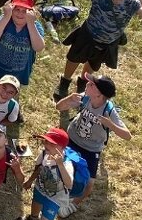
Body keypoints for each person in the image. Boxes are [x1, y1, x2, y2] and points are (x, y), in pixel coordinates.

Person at [55, 0, 142, 100]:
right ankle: (65, 82)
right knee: (74, 58)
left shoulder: (132, 3)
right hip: (88, 35)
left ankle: (82, 84)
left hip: (108, 42)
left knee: (92, 64)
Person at [17, 127, 88, 220]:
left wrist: (60, 165)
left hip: (55, 199)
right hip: (40, 188)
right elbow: (38, 168)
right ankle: (33, 219)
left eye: (51, 143)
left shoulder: (66, 164)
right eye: (46, 142)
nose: (46, 145)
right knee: (35, 203)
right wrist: (30, 181)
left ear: (62, 147)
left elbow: (69, 183)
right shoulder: (43, 153)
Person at [56, 73, 131, 204]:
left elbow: (127, 135)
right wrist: (69, 98)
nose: (87, 84)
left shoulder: (109, 111)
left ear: (99, 95)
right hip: (72, 139)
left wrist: (110, 125)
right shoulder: (85, 97)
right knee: (61, 166)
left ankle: (72, 205)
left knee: (88, 184)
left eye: (91, 84)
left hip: (91, 149)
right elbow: (59, 107)